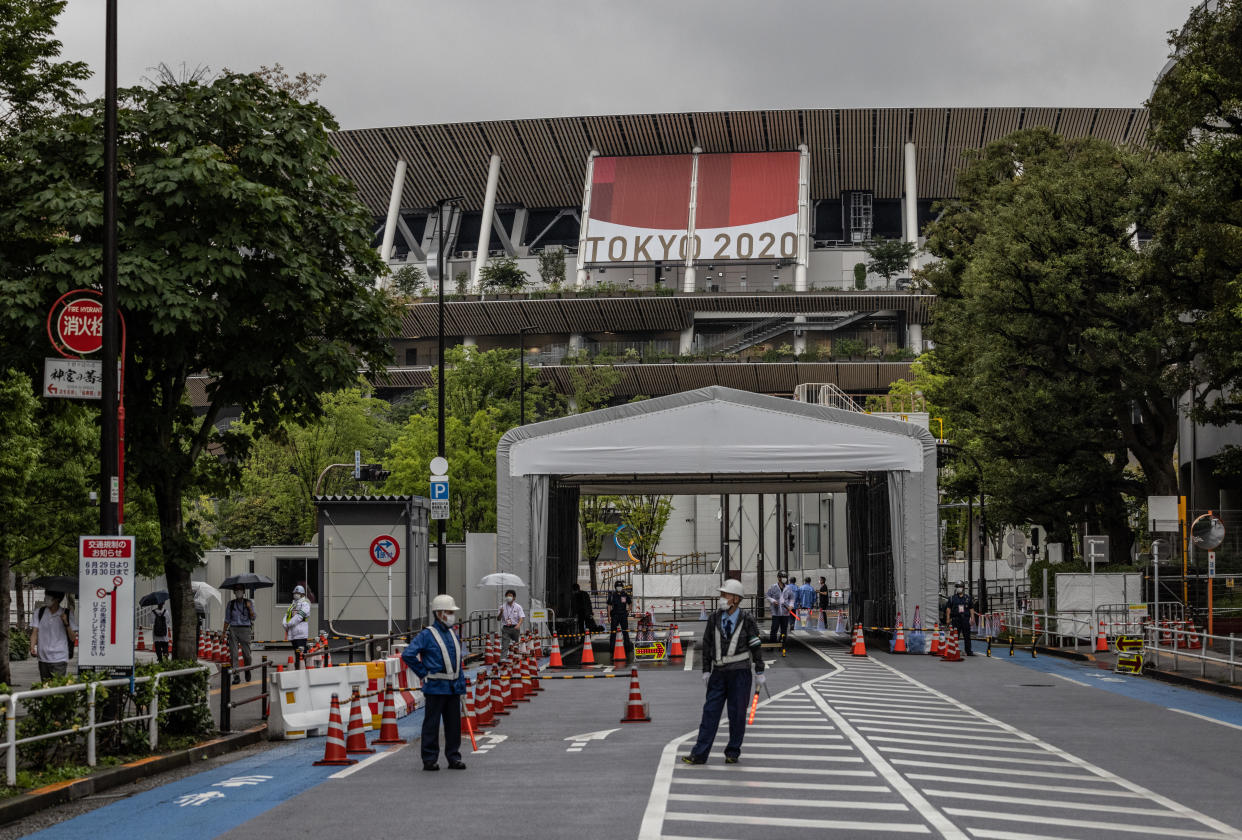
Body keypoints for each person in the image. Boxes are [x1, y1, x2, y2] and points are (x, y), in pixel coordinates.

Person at [683, 579, 765, 765]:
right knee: (710, 713)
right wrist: (705, 670)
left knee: (737, 715)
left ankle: (733, 752)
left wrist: (759, 669)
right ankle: (699, 754)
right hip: (718, 673)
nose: (721, 598)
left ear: (735, 598)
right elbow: (707, 644)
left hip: (740, 673)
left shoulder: (747, 619)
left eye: (724, 595)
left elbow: (755, 644)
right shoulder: (714, 618)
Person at [402, 594, 467, 771]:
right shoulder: (427, 635)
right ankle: (429, 759)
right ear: (439, 613)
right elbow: (408, 654)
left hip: (453, 687)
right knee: (431, 724)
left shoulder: (454, 634)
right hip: (436, 687)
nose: (452, 615)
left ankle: (454, 757)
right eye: (449, 612)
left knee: (454, 725)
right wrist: (424, 673)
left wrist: (461, 685)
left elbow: (458, 663)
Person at [30, 591, 77, 682]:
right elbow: (35, 632)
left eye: (48, 597)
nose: (45, 599)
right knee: (45, 688)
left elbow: (73, 638)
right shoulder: (39, 612)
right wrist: (32, 646)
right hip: (43, 657)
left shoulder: (67, 613)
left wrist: (66, 623)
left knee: (57, 689)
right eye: (45, 596)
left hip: (59, 658)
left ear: (57, 599)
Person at [223, 586, 256, 684]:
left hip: (245, 629)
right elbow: (227, 619)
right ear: (234, 592)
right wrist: (224, 632)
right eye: (236, 590)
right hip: (233, 629)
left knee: (247, 654)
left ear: (244, 591)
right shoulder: (231, 604)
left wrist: (250, 608)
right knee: (234, 653)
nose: (238, 592)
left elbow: (253, 617)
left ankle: (247, 669)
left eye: (240, 590)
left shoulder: (248, 602)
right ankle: (236, 675)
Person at [945, 582, 978, 656]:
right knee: (955, 636)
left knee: (967, 636)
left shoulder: (968, 598)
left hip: (965, 619)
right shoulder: (952, 598)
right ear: (956, 588)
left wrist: (972, 618)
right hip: (955, 619)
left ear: (963, 588)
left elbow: (971, 609)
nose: (959, 588)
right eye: (957, 586)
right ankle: (953, 650)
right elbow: (948, 609)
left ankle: (968, 651)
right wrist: (948, 618)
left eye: (960, 586)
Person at [764, 571, 797, 643]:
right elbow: (767, 596)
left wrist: (791, 605)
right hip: (776, 612)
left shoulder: (788, 588)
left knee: (784, 629)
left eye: (785, 577)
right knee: (774, 628)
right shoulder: (773, 587)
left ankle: (782, 644)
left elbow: (792, 598)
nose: (784, 579)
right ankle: (772, 644)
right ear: (779, 578)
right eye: (783, 577)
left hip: (785, 612)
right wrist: (773, 601)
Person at [282, 584, 312, 662]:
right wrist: (284, 623)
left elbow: (299, 617)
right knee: (296, 653)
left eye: (297, 593)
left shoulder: (305, 604)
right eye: (294, 593)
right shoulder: (293, 604)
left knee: (301, 653)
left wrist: (289, 624)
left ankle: (302, 667)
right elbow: (287, 614)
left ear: (302, 594)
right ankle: (298, 667)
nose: (295, 595)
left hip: (300, 633)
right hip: (293, 632)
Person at [606, 580, 633, 658]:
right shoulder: (612, 595)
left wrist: (628, 611)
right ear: (615, 587)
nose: (619, 588)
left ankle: (627, 647)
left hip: (623, 615)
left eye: (620, 586)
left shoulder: (625, 594)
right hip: (614, 615)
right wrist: (608, 616)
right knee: (613, 632)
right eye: (618, 586)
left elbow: (630, 603)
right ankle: (612, 648)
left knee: (625, 631)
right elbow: (609, 606)